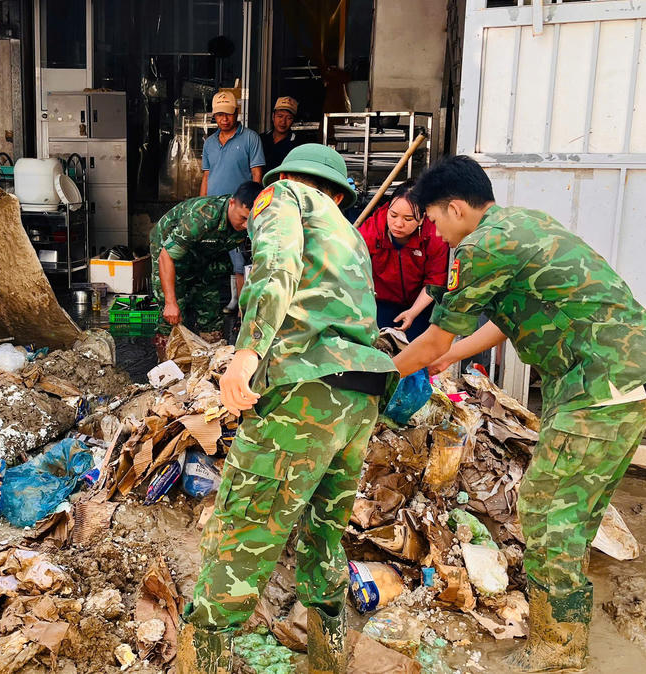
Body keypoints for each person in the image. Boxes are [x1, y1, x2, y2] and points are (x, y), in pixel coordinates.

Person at [392, 156, 646, 672]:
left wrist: (380, 374)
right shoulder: (525, 224)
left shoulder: (479, 247)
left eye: (434, 219)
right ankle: (568, 619)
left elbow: (433, 335)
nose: (435, 231)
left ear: (455, 207)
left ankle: (558, 647)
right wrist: (451, 357)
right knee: (576, 508)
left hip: (602, 385)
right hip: (637, 370)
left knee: (546, 507)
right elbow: (504, 321)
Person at [178, 145, 396, 674]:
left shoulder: (283, 195)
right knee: (324, 536)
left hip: (305, 395)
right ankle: (327, 659)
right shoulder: (350, 236)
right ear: (340, 193)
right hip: (359, 399)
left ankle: (200, 664)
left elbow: (276, 267)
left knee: (242, 534)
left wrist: (245, 354)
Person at [151, 181, 263, 342]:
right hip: (170, 251)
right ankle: (168, 363)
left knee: (211, 311)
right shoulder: (202, 217)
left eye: (251, 221)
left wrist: (244, 310)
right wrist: (170, 302)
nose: (246, 225)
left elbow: (252, 266)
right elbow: (166, 256)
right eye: (243, 218)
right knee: (173, 315)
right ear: (232, 203)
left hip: (209, 254)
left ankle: (212, 358)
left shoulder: (256, 224)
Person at [357, 180, 449, 340]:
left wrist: (413, 312)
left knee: (416, 356)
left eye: (408, 219)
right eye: (393, 215)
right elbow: (354, 269)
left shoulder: (435, 235)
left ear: (422, 218)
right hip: (380, 304)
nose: (398, 224)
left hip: (422, 306)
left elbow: (435, 282)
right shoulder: (372, 230)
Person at [199, 91, 265, 198]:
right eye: (220, 114)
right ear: (214, 115)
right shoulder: (209, 142)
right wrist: (201, 203)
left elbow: (256, 174)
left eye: (228, 114)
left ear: (236, 112)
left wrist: (252, 202)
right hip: (213, 205)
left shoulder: (251, 138)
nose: (224, 119)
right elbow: (206, 176)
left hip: (239, 206)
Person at [259, 96, 304, 175]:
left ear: (293, 120)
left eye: (289, 118)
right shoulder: (260, 139)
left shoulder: (298, 145)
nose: (283, 122)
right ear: (273, 116)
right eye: (280, 116)